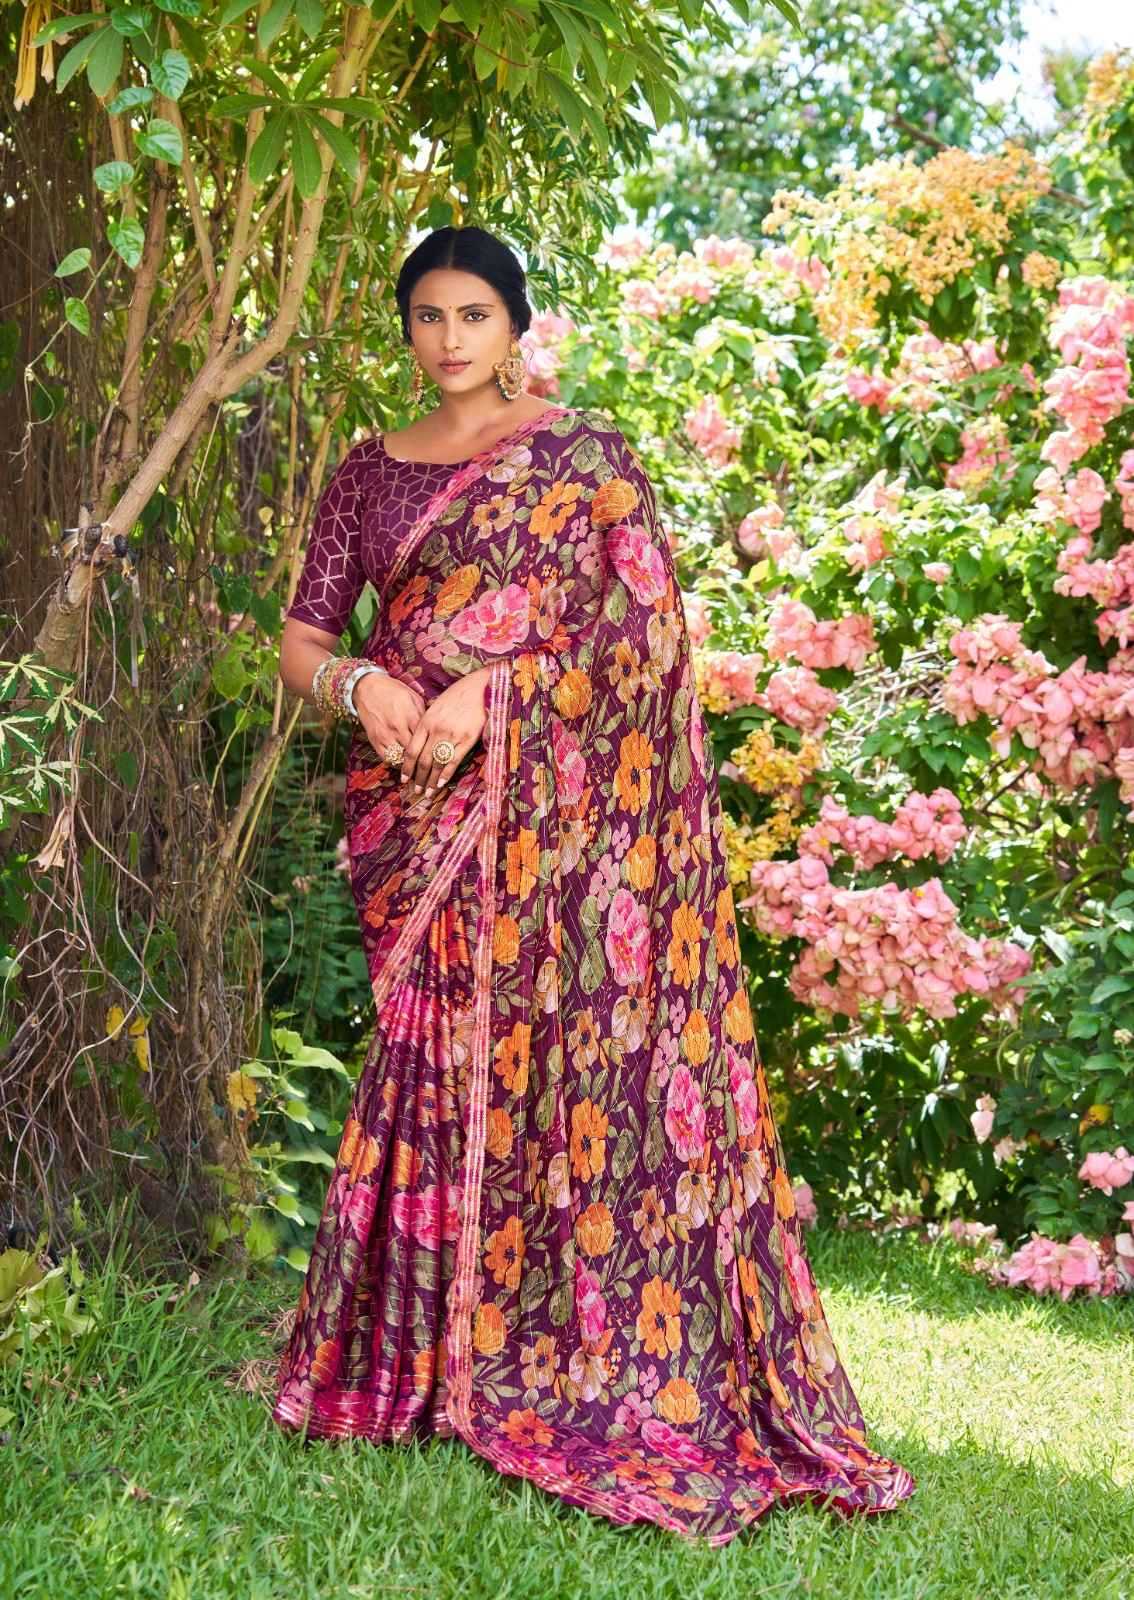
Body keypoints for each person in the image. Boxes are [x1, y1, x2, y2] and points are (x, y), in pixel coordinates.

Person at [271, 224, 916, 1543]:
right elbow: (301, 635)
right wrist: (363, 684)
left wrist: (495, 693)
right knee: (429, 1054)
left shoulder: (583, 460)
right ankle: (412, 1368)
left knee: (549, 1066)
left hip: (554, 823)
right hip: (413, 797)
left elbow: (641, 638)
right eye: (428, 316)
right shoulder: (369, 471)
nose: (449, 339)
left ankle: (551, 1357)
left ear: (515, 325)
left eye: (474, 315)